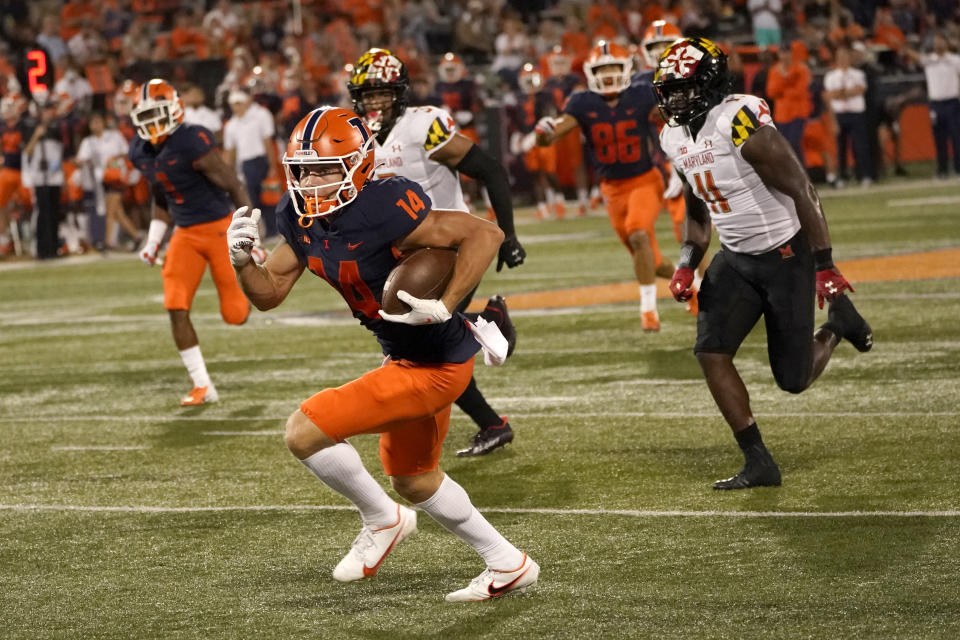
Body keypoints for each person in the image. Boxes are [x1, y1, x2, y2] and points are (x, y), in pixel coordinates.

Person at [227, 106, 539, 601]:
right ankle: (508, 563)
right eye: (302, 169)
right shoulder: (300, 217)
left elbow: (485, 234)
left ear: (359, 164)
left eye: (324, 168)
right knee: (415, 480)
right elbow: (268, 293)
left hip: (437, 365)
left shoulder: (384, 205)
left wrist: (446, 303)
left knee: (304, 430)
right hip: (407, 359)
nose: (311, 180)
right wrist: (243, 263)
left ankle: (382, 520)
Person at [653, 38, 874, 489]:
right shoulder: (672, 136)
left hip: (784, 255)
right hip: (734, 258)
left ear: (711, 82)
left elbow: (801, 189)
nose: (676, 99)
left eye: (685, 87)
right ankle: (758, 460)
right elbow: (698, 214)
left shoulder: (738, 120)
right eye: (669, 89)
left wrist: (825, 266)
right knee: (710, 353)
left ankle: (836, 326)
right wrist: (685, 263)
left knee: (793, 380)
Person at [347, 48, 526, 457]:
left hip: (450, 244)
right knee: (426, 346)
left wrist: (508, 234)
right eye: (366, 94)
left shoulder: (422, 126)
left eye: (382, 93)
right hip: (404, 252)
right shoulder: (358, 137)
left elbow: (489, 168)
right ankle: (493, 423)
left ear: (399, 93)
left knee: (425, 341)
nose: (374, 102)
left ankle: (489, 321)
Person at [129, 79, 257, 406]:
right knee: (175, 304)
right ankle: (202, 385)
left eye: (157, 114)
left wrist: (248, 232)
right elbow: (162, 196)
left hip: (217, 229)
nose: (151, 124)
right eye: (145, 116)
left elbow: (234, 185)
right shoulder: (141, 151)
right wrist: (153, 240)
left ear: (174, 110)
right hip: (185, 233)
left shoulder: (191, 140)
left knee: (235, 314)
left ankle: (256, 268)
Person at [535, 41, 676, 332]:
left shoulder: (640, 94)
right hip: (612, 189)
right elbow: (554, 134)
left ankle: (648, 310)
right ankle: (687, 284)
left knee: (639, 234)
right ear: (591, 72)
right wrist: (543, 133)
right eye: (602, 68)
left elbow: (669, 118)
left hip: (645, 180)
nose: (609, 73)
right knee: (652, 260)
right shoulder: (582, 102)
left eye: (614, 66)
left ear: (626, 69)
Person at [76, 112, 142, 251]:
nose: (96, 125)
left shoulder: (114, 136)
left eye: (98, 122)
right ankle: (137, 237)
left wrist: (112, 160)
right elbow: (80, 159)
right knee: (118, 212)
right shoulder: (89, 142)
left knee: (110, 212)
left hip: (116, 177)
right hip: (102, 180)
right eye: (93, 123)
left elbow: (126, 151)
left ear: (103, 123)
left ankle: (106, 243)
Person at [222, 88, 280, 238]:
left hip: (261, 160)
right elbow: (231, 152)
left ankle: (274, 229)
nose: (236, 107)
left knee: (268, 195)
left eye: (239, 103)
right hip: (246, 165)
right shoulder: (231, 125)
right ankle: (259, 231)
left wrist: (272, 165)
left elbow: (268, 142)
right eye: (234, 104)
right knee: (252, 199)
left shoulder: (260, 115)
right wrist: (228, 173)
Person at [904, 35, 960, 179]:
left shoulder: (954, 60)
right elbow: (916, 56)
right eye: (935, 42)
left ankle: (958, 168)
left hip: (953, 102)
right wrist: (904, 47)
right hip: (936, 103)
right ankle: (942, 170)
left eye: (940, 41)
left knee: (956, 136)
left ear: (946, 43)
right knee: (939, 138)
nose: (938, 44)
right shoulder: (930, 60)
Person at [823, 46, 872, 187]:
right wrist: (847, 92)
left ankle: (864, 175)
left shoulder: (858, 74)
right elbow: (829, 95)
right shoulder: (831, 76)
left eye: (845, 56)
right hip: (839, 114)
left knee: (860, 146)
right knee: (840, 147)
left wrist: (839, 93)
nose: (843, 59)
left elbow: (860, 90)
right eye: (840, 56)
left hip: (856, 113)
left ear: (849, 58)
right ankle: (842, 176)